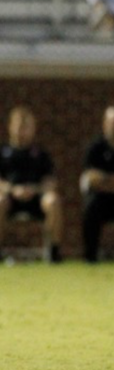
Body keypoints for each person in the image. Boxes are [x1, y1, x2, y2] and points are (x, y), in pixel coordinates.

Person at [0, 106, 63, 264]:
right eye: (20, 126)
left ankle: (54, 252)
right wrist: (12, 189)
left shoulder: (40, 154)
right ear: (10, 127)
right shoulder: (0, 152)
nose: (23, 131)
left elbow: (51, 182)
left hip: (35, 199)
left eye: (27, 127)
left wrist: (35, 190)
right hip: (10, 199)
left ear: (33, 129)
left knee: (53, 200)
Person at [80, 106, 114, 263]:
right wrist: (107, 183)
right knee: (91, 207)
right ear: (105, 124)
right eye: (112, 123)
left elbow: (100, 178)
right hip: (101, 199)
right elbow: (90, 178)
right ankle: (90, 256)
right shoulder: (95, 148)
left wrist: (104, 179)